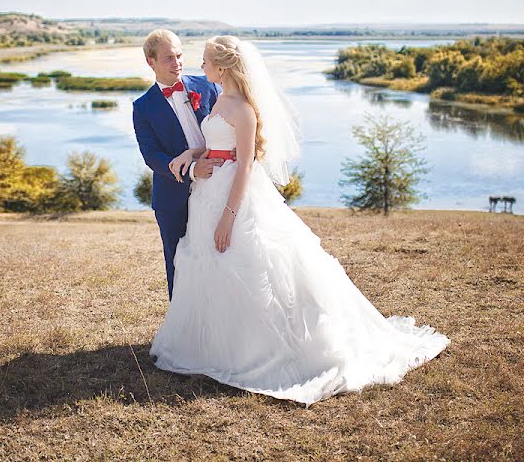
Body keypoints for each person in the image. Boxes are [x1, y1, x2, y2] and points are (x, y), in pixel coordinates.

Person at [150, 36, 449, 406]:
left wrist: (228, 217)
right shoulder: (219, 100)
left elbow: (245, 163)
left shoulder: (242, 109)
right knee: (212, 266)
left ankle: (265, 348)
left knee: (252, 266)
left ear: (223, 67)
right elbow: (214, 144)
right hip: (207, 195)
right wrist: (190, 154)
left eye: (206, 60)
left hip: (234, 198)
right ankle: (216, 346)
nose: (201, 65)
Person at [132, 29, 223, 300]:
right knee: (179, 263)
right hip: (173, 198)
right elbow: (152, 156)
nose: (177, 63)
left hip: (218, 187)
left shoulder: (209, 87)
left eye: (180, 55)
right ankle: (181, 327)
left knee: (221, 258)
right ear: (151, 62)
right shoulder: (143, 107)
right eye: (169, 58)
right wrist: (193, 170)